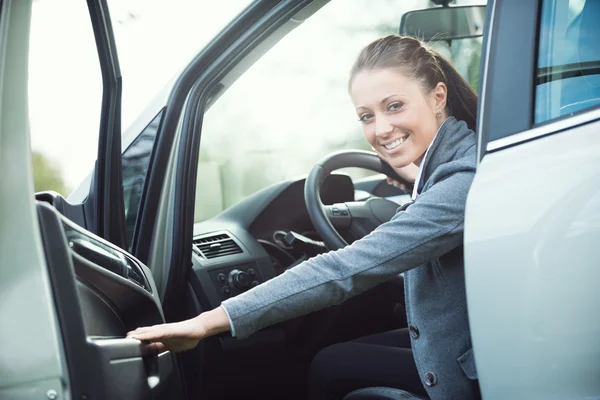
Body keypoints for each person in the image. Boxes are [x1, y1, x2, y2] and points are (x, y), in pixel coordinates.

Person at [128, 35, 480, 400]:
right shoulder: (459, 160)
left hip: (469, 371)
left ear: (438, 97)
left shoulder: (459, 183)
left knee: (330, 367)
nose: (380, 130)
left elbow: (344, 270)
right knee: (338, 357)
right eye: (366, 116)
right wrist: (414, 178)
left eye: (394, 106)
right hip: (464, 339)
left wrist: (204, 323)